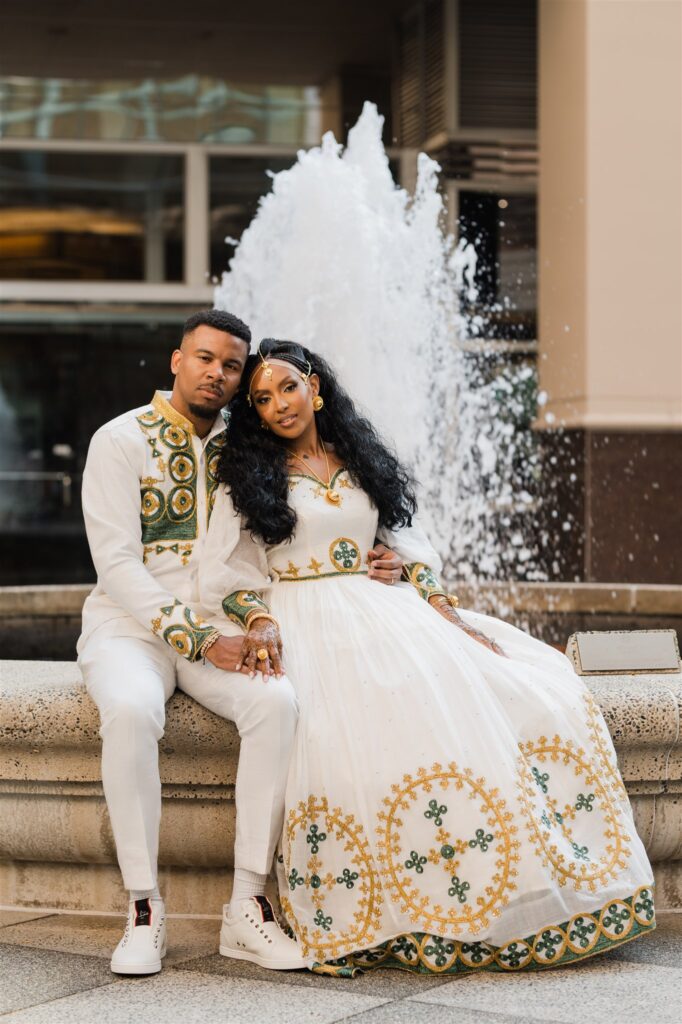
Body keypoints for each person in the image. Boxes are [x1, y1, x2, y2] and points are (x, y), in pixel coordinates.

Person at [200, 337, 655, 976]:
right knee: (358, 750)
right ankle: (383, 914)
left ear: (316, 387)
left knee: (522, 695)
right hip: (308, 622)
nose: (278, 405)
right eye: (262, 399)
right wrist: (260, 618)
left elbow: (409, 545)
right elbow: (224, 573)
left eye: (288, 388)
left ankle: (501, 895)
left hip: (384, 610)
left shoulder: (358, 460)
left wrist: (423, 588)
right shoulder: (249, 476)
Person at [78, 310, 403, 976]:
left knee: (275, 703)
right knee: (135, 710)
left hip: (222, 629)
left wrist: (381, 556)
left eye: (231, 365)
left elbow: (320, 512)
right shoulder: (119, 441)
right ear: (176, 360)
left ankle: (247, 906)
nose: (217, 374)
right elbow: (116, 564)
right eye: (205, 359)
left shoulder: (246, 448)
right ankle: (143, 907)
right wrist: (201, 636)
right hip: (128, 628)